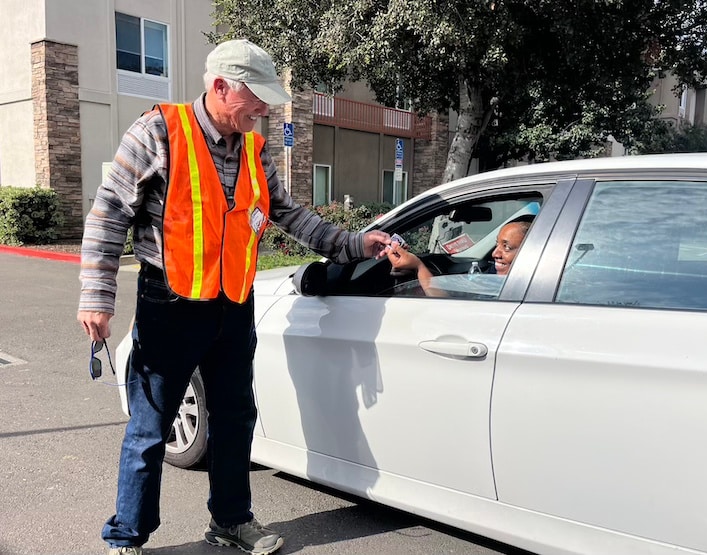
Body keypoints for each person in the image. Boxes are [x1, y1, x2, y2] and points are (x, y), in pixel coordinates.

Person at [77, 39, 390, 555]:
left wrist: (355, 243)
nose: (264, 109)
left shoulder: (253, 150)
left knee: (235, 417)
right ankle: (127, 536)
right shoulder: (157, 131)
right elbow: (109, 213)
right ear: (220, 86)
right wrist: (97, 296)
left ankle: (231, 522)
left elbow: (291, 215)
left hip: (233, 305)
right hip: (170, 304)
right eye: (257, 97)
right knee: (151, 426)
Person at [387, 217, 532, 296]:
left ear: (530, 251)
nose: (495, 254)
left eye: (506, 247)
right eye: (497, 244)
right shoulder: (494, 275)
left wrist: (419, 266)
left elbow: (445, 304)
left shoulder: (524, 289)